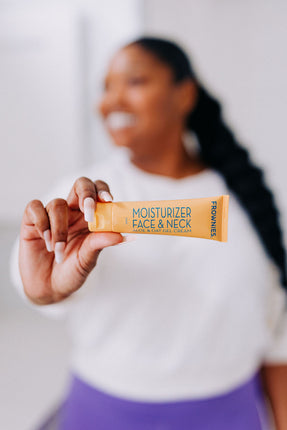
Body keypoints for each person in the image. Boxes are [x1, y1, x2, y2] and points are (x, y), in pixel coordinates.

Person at [12, 37, 287, 429]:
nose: (111, 101)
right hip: (106, 414)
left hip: (229, 414)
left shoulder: (245, 198)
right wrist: (46, 289)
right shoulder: (83, 196)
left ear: (185, 94)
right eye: (105, 88)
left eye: (134, 82)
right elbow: (31, 278)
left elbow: (278, 330)